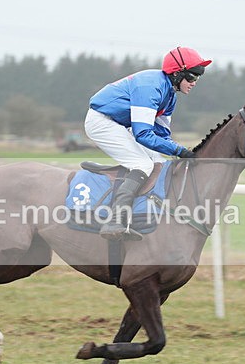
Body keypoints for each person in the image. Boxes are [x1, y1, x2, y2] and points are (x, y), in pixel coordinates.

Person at [84, 46, 211, 240]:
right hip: (102, 121)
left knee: (159, 163)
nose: (194, 83)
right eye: (192, 77)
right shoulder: (150, 87)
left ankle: (143, 214)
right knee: (142, 164)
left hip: (120, 124)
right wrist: (180, 151)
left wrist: (182, 152)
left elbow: (161, 135)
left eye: (198, 78)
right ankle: (115, 221)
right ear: (177, 74)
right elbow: (143, 134)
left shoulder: (169, 96)